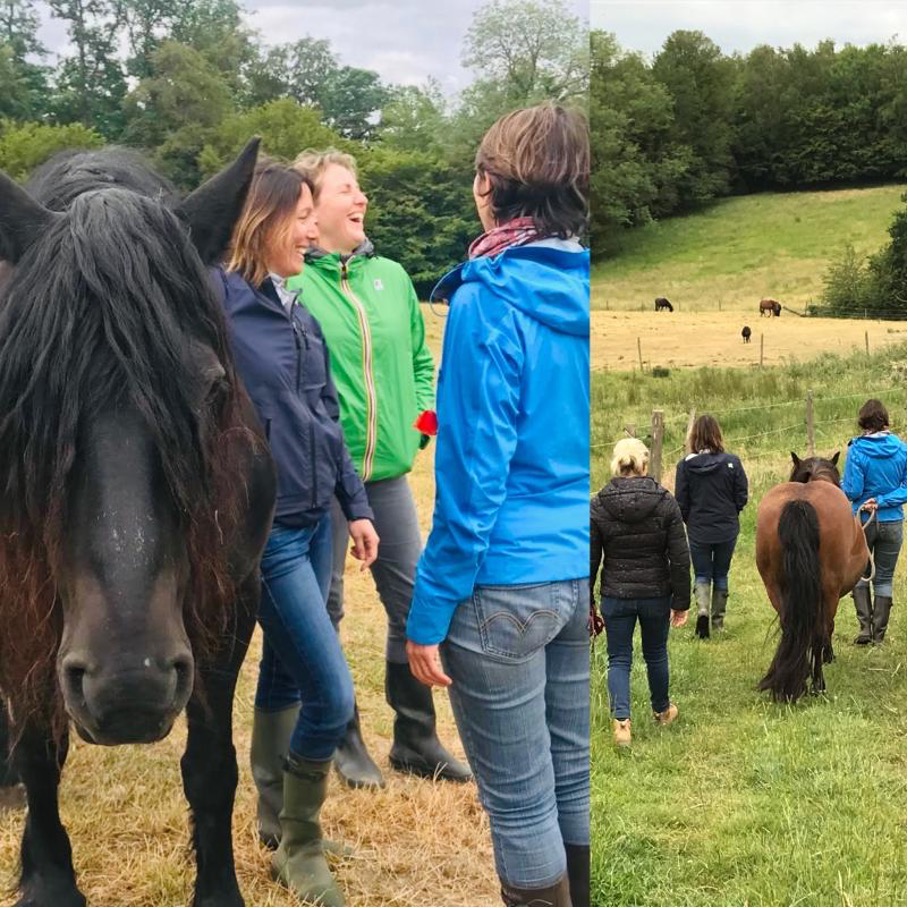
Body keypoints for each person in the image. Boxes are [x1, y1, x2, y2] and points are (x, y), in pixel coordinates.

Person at [405, 103, 590, 908]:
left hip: (504, 582)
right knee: (573, 774)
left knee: (520, 800)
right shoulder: (590, 285)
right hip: (576, 570)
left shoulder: (487, 299)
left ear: (489, 186)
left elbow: (473, 484)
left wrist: (427, 609)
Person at [213, 159, 379, 907]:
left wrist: (357, 508)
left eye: (316, 217)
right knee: (331, 696)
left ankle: (276, 820)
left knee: (286, 674)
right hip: (268, 532)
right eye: (303, 217)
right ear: (264, 218)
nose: (313, 231)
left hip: (317, 523)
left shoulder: (299, 311)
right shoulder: (216, 304)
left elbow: (327, 420)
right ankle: (301, 846)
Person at [286, 149, 470, 789]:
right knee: (324, 608)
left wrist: (419, 429)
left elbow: (421, 364)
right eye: (345, 189)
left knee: (413, 599)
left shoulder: (391, 276)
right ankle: (341, 738)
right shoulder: (292, 283)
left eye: (359, 188)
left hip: (387, 475)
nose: (360, 197)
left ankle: (416, 737)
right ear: (310, 209)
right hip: (319, 480)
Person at [589, 438, 690, 748]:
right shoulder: (665, 501)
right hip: (655, 592)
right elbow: (680, 557)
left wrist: (586, 602)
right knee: (656, 652)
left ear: (616, 464)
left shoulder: (599, 504)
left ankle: (622, 723)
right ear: (644, 464)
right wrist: (681, 601)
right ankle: (662, 710)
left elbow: (590, 559)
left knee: (618, 658)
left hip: (615, 594)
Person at [674, 414, 749, 638]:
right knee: (721, 573)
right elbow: (741, 495)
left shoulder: (685, 466)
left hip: (699, 527)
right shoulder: (732, 463)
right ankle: (718, 622)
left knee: (702, 573)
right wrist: (731, 513)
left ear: (694, 437)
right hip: (726, 527)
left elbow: (681, 501)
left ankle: (702, 610)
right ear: (718, 434)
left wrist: (690, 520)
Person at [841, 398, 906, 645]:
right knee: (885, 577)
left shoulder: (857, 450)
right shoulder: (902, 448)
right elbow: (905, 488)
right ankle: (879, 636)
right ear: (885, 420)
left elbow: (854, 490)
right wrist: (882, 500)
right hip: (892, 522)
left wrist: (841, 484)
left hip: (863, 521)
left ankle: (865, 629)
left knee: (860, 573)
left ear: (863, 422)